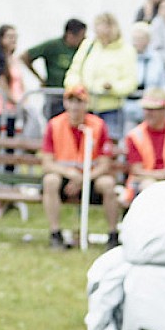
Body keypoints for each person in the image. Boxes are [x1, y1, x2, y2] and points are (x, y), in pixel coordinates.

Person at [40, 90, 120, 247]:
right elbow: (47, 163)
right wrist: (69, 173)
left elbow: (105, 163)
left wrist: (83, 178)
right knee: (50, 181)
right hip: (64, 177)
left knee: (108, 184)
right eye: (71, 101)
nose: (75, 106)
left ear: (86, 104)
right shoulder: (55, 125)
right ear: (65, 103)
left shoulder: (98, 125)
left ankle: (113, 234)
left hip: (91, 178)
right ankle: (55, 234)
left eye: (79, 101)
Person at [64, 11, 140, 138]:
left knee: (108, 146)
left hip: (110, 110)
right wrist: (76, 86)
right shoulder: (89, 45)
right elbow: (74, 71)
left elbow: (130, 81)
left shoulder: (126, 50)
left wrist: (112, 87)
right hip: (85, 108)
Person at [23, 17, 87, 115]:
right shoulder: (53, 45)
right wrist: (40, 79)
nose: (84, 39)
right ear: (70, 35)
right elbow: (25, 56)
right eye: (81, 36)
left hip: (75, 96)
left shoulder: (84, 48)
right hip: (55, 97)